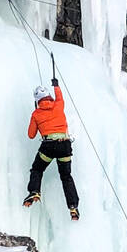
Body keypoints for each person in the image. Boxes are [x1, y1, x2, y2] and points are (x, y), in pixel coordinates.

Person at [22, 75, 79, 220]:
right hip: (64, 145)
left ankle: (34, 191)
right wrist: (56, 85)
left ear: (37, 101)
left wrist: (37, 119)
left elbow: (31, 135)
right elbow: (60, 97)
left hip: (48, 146)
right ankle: (73, 206)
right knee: (66, 177)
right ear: (48, 96)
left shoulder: (36, 114)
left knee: (37, 169)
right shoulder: (58, 105)